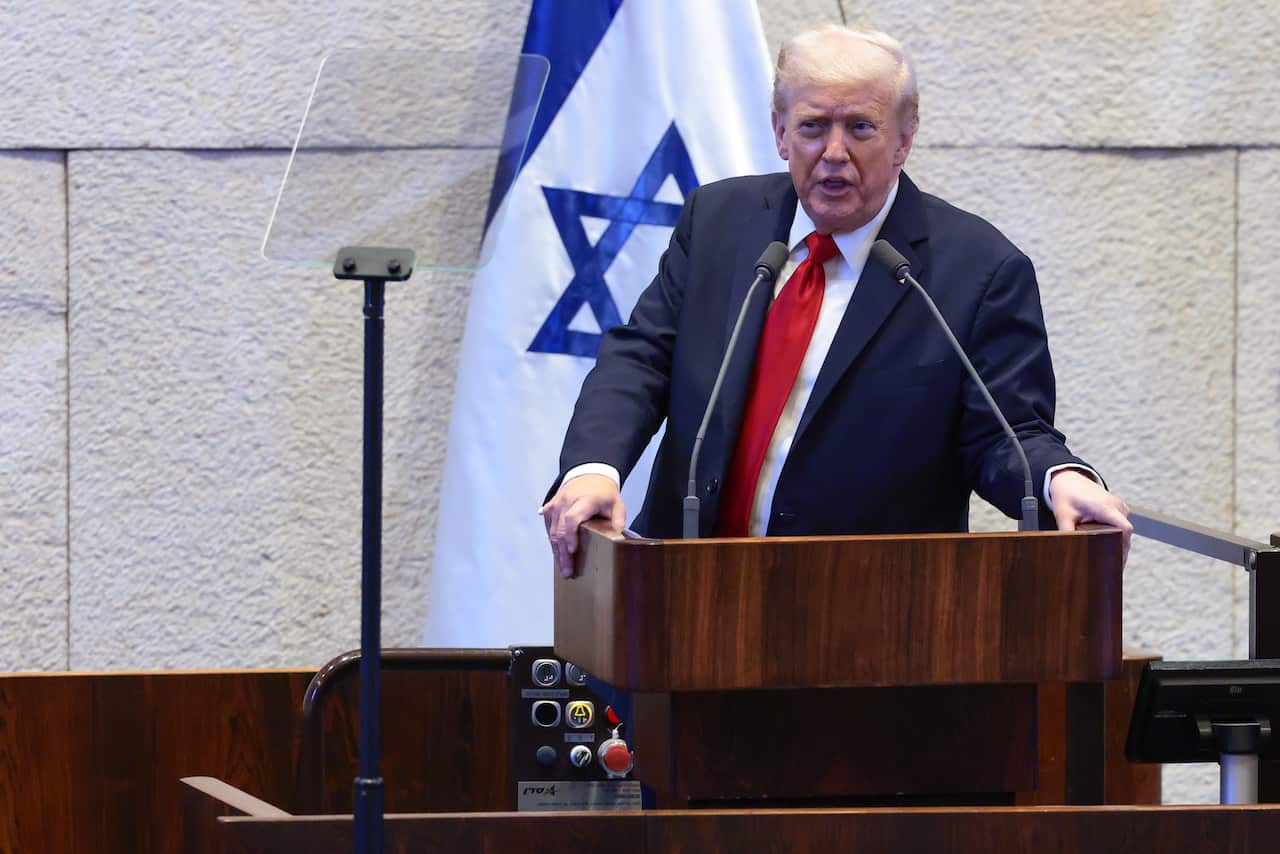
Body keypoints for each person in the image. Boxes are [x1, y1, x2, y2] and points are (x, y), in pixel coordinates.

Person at [542, 24, 1131, 576]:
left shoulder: (976, 272)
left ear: (904, 139)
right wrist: (595, 466)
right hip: (683, 592)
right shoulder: (719, 221)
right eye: (812, 126)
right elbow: (642, 358)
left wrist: (1059, 478)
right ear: (779, 132)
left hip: (862, 613)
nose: (833, 151)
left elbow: (1006, 431)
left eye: (861, 128)